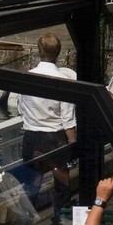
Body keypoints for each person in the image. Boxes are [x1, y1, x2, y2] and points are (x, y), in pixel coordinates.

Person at [18, 33, 77, 202]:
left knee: (31, 186)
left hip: (31, 136)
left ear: (39, 51)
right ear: (58, 52)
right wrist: (73, 143)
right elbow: (68, 119)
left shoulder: (27, 78)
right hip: (55, 137)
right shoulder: (63, 80)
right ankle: (61, 223)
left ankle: (25, 224)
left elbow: (22, 109)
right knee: (62, 185)